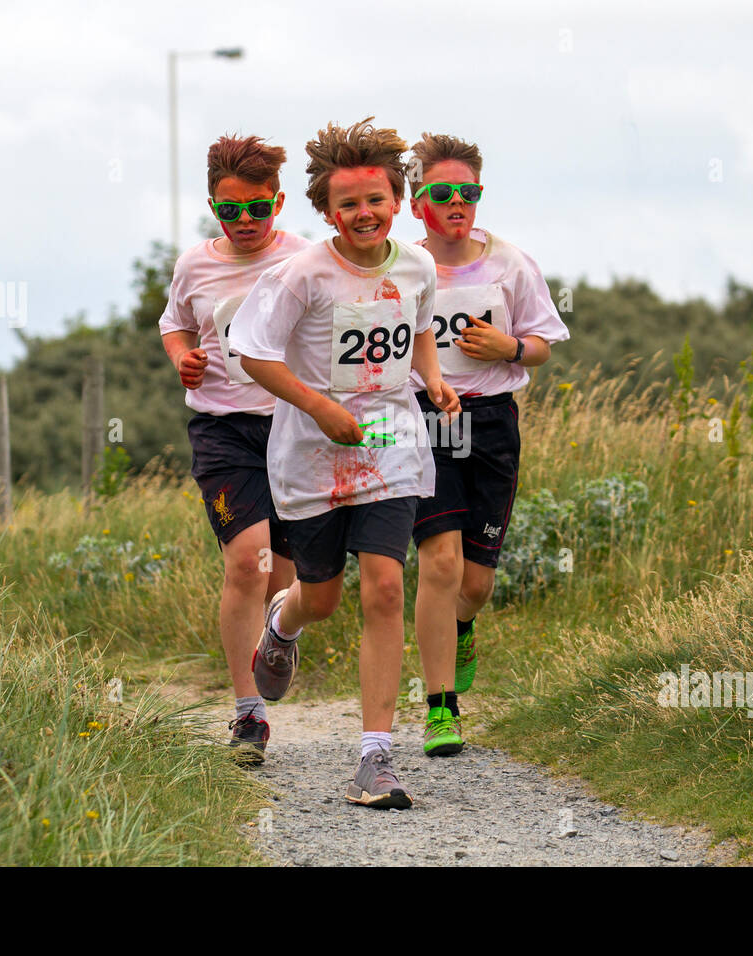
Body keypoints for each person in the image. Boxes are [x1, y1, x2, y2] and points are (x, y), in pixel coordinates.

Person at [230, 117, 460, 808]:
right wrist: (319, 406)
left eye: (376, 200)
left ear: (399, 200)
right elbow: (253, 352)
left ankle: (376, 758)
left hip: (390, 442)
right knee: (322, 597)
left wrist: (433, 376)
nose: (364, 213)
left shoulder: (418, 265)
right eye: (349, 204)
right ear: (329, 213)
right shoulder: (302, 275)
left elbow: (419, 326)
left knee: (386, 587)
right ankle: (284, 621)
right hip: (312, 454)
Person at [405, 132, 570, 756]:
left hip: (494, 422)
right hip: (427, 418)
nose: (457, 203)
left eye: (468, 193)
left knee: (473, 583)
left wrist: (511, 349)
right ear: (418, 200)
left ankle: (465, 625)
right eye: (443, 193)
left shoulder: (511, 263)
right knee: (439, 563)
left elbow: (543, 344)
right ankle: (440, 710)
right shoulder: (403, 264)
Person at [158, 134, 310, 765]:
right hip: (224, 429)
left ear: (278, 202)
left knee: (290, 572)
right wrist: (183, 360)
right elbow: (176, 323)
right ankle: (249, 714)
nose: (245, 222)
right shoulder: (195, 265)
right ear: (212, 209)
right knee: (247, 563)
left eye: (257, 208)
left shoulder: (307, 260)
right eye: (230, 211)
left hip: (296, 425)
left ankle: (279, 634)